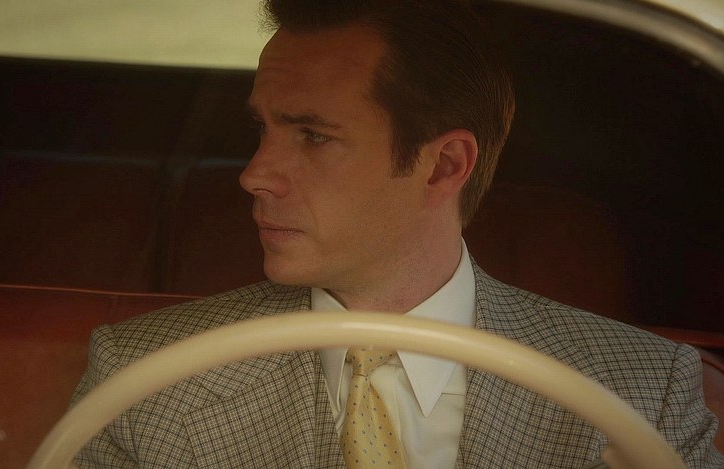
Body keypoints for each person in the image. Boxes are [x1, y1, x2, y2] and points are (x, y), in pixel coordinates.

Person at [71, 0, 723, 467]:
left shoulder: (643, 388)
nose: (254, 174)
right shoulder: (143, 378)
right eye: (262, 129)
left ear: (442, 166)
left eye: (313, 135)